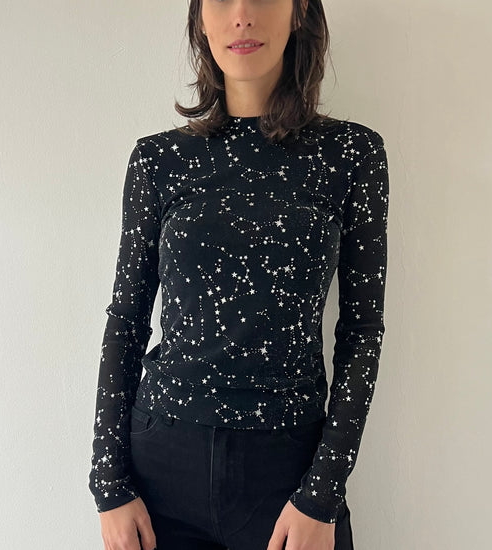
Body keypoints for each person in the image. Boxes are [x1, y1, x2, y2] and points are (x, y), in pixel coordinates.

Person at [88, 1, 390, 549]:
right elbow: (126, 321)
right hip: (161, 472)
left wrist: (322, 494)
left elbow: (361, 330)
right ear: (200, 19)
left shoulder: (351, 154)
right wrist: (108, 483)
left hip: (290, 475)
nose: (243, 14)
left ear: (299, 11)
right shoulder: (159, 160)